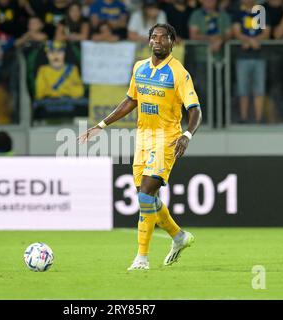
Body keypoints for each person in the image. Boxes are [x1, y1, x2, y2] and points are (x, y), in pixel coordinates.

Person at [78, 23, 202, 270]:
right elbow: (130, 101)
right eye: (153, 37)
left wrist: (187, 134)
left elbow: (195, 109)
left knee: (145, 195)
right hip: (143, 137)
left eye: (162, 37)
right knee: (148, 199)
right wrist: (101, 125)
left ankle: (141, 259)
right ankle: (179, 237)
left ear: (172, 42)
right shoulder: (140, 68)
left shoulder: (179, 73)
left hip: (167, 137)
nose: (157, 41)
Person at [232, 0, 271, 123]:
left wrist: (255, 40)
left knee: (259, 88)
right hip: (242, 56)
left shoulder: (262, 12)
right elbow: (236, 32)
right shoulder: (238, 12)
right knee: (243, 88)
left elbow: (266, 33)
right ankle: (244, 118)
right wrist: (249, 40)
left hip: (259, 56)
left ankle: (258, 119)